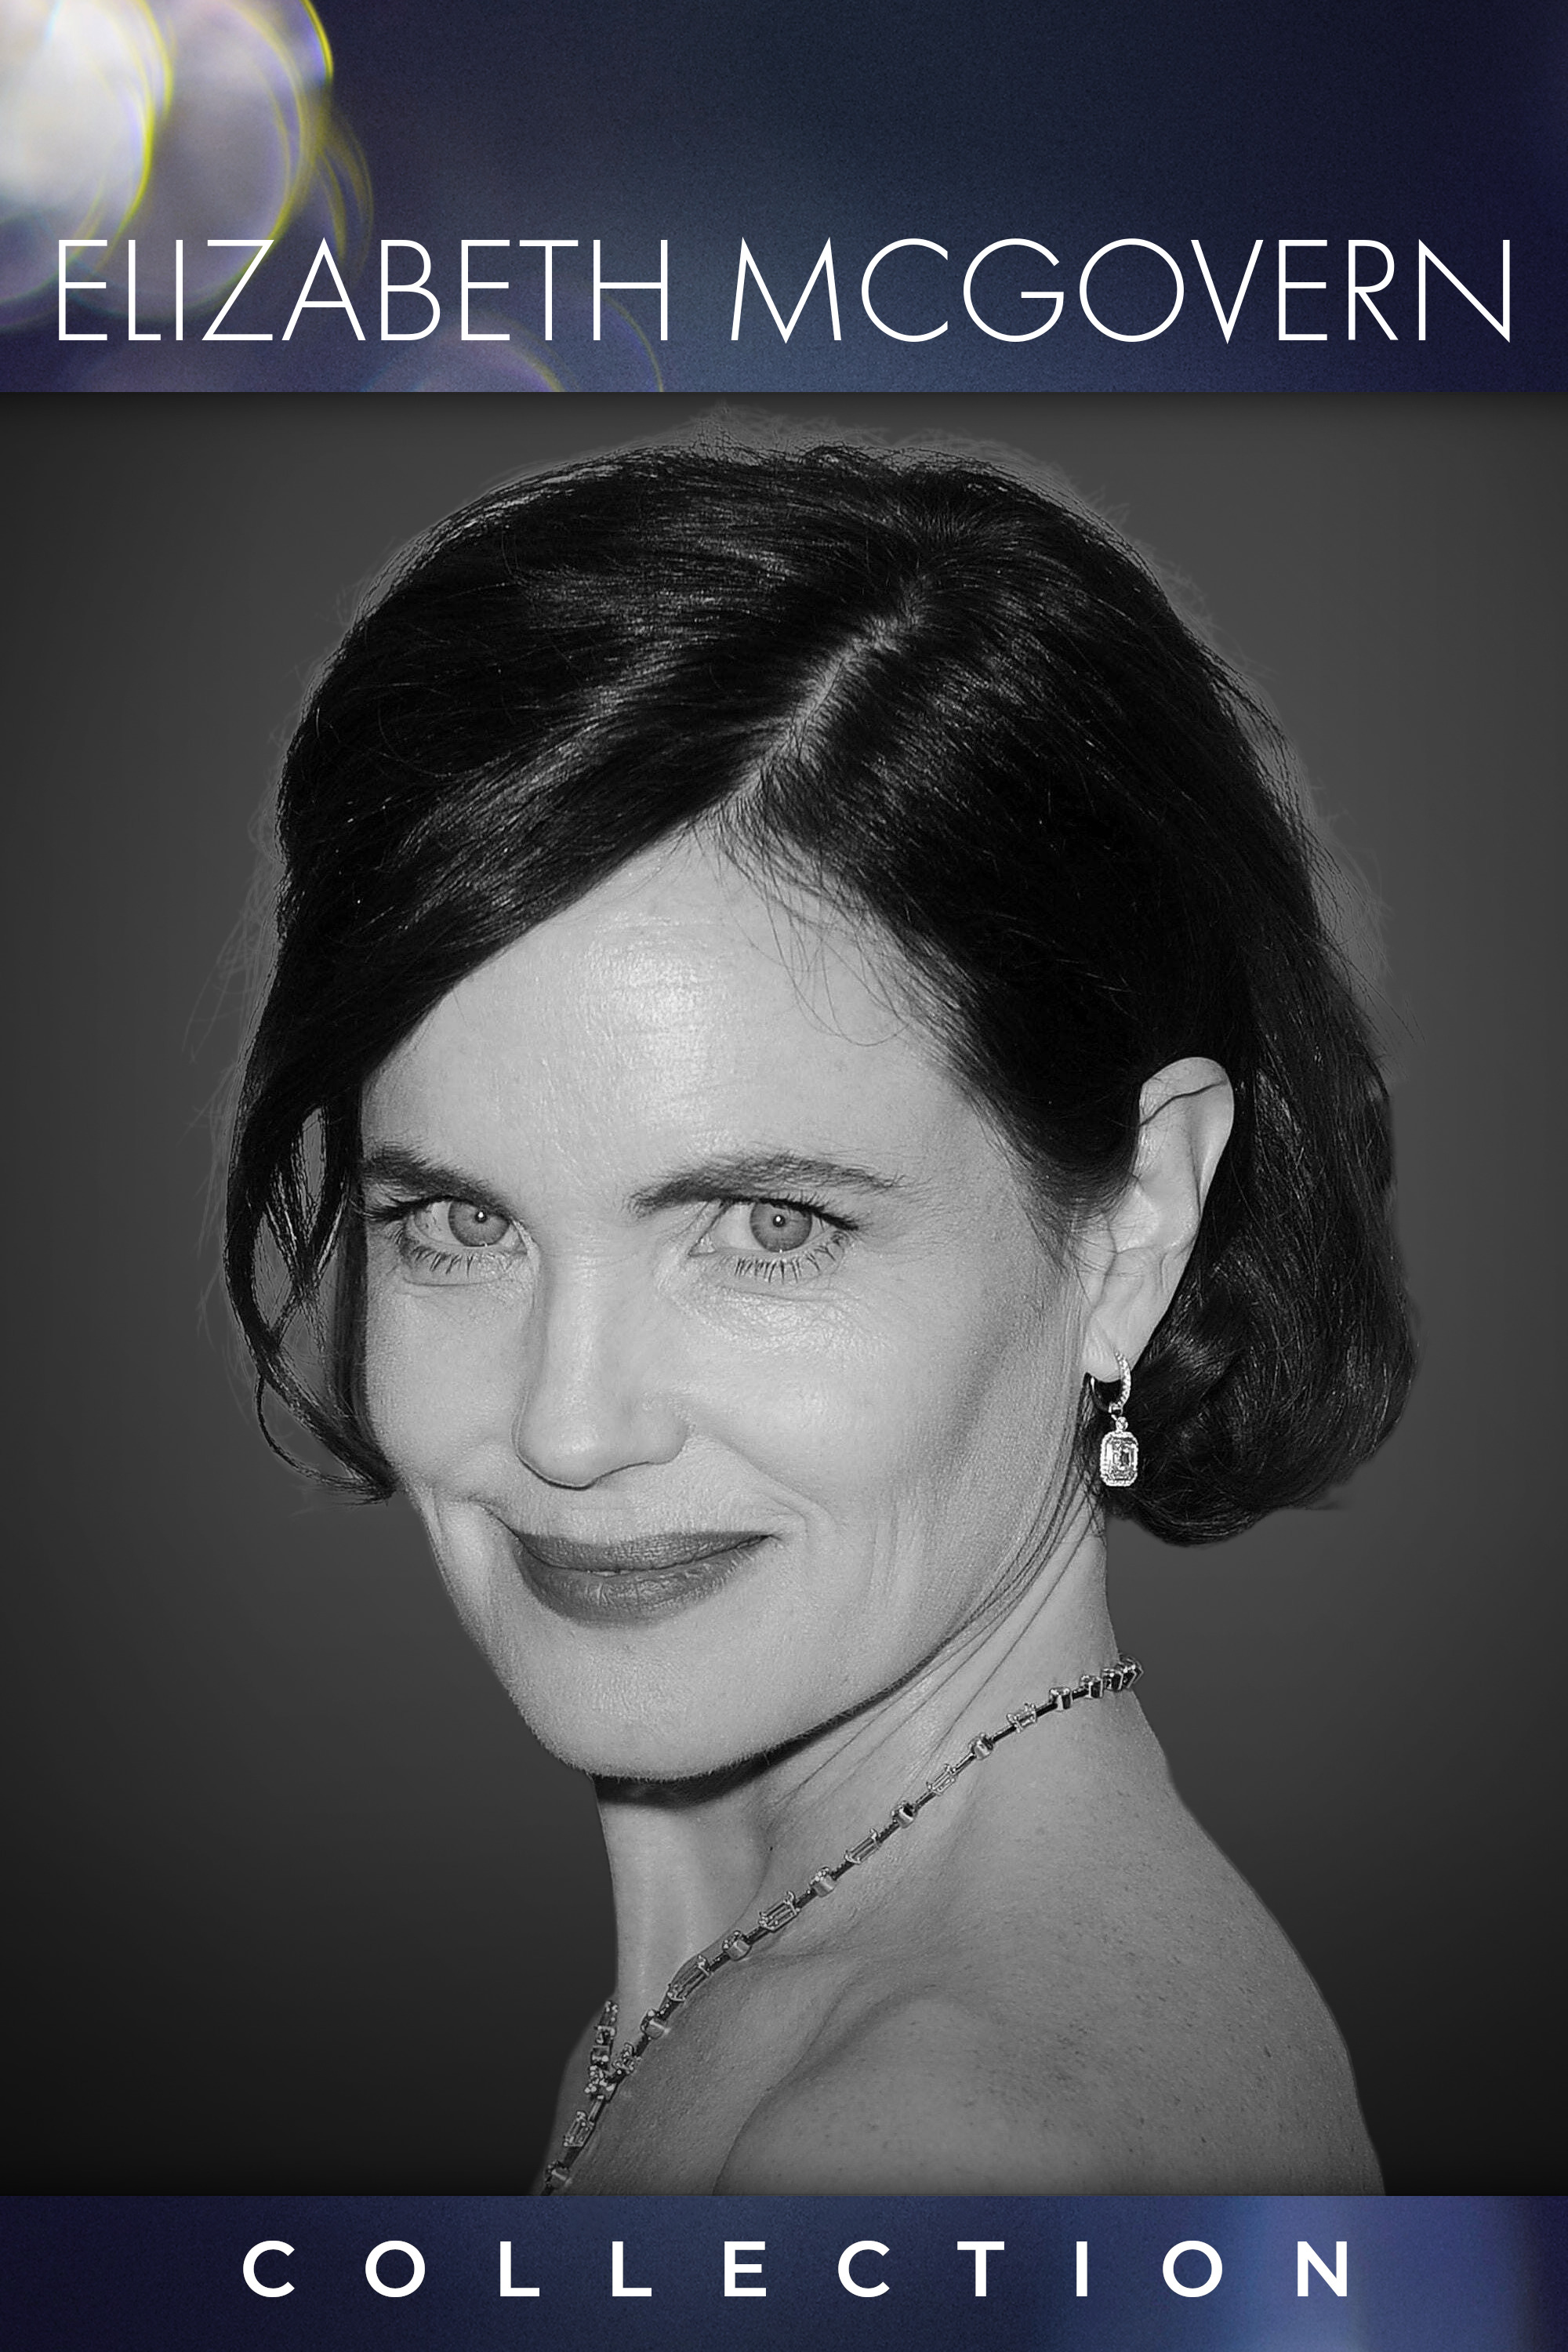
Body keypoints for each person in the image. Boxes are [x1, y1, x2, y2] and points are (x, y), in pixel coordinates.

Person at [223, 430, 1413, 2194]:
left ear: (1133, 1222)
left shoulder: (929, 2155)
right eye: (458, 1223)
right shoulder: (771, 2009)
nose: (568, 1425)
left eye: (768, 1228)